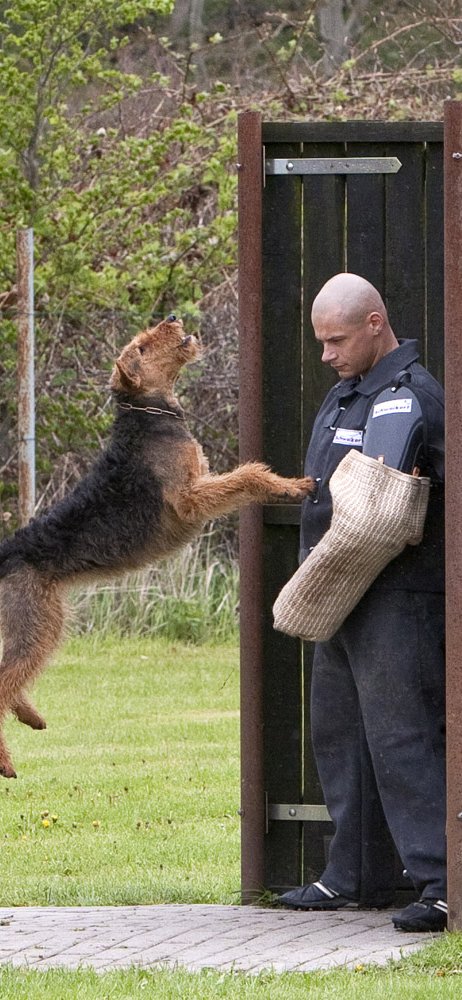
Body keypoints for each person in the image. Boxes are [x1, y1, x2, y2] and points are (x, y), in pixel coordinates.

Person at [277, 272, 447, 933]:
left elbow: (381, 515)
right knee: (340, 735)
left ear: (375, 323)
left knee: (403, 739)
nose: (325, 355)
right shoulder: (348, 393)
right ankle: (353, 876)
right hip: (343, 596)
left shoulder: (406, 398)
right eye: (320, 342)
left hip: (393, 598)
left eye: (335, 340)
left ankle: (439, 884)